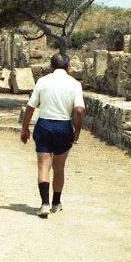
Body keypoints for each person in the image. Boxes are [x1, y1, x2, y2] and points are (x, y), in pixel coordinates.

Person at [19, 53, 85, 219]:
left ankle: (44, 204)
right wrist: (77, 131)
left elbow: (30, 107)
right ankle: (56, 202)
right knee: (59, 167)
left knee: (43, 166)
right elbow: (79, 110)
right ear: (69, 67)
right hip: (63, 126)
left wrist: (25, 128)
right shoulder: (75, 84)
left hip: (44, 126)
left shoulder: (43, 81)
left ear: (51, 67)